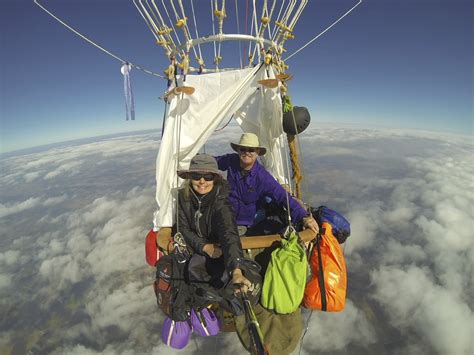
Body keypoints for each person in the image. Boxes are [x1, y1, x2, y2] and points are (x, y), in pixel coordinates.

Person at [176, 154, 253, 294]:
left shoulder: (220, 202)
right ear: (190, 178)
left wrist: (236, 270)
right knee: (193, 269)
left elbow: (229, 232)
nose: (202, 181)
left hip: (220, 251)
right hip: (198, 249)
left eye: (208, 177)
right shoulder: (183, 197)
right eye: (196, 176)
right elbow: (182, 227)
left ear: (215, 179)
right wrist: (204, 246)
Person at [216, 133, 319, 235]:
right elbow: (212, 162)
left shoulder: (262, 177)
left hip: (244, 220)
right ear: (238, 150)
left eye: (251, 150)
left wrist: (304, 217)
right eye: (243, 149)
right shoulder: (231, 160)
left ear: (257, 152)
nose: (246, 152)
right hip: (225, 212)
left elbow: (282, 196)